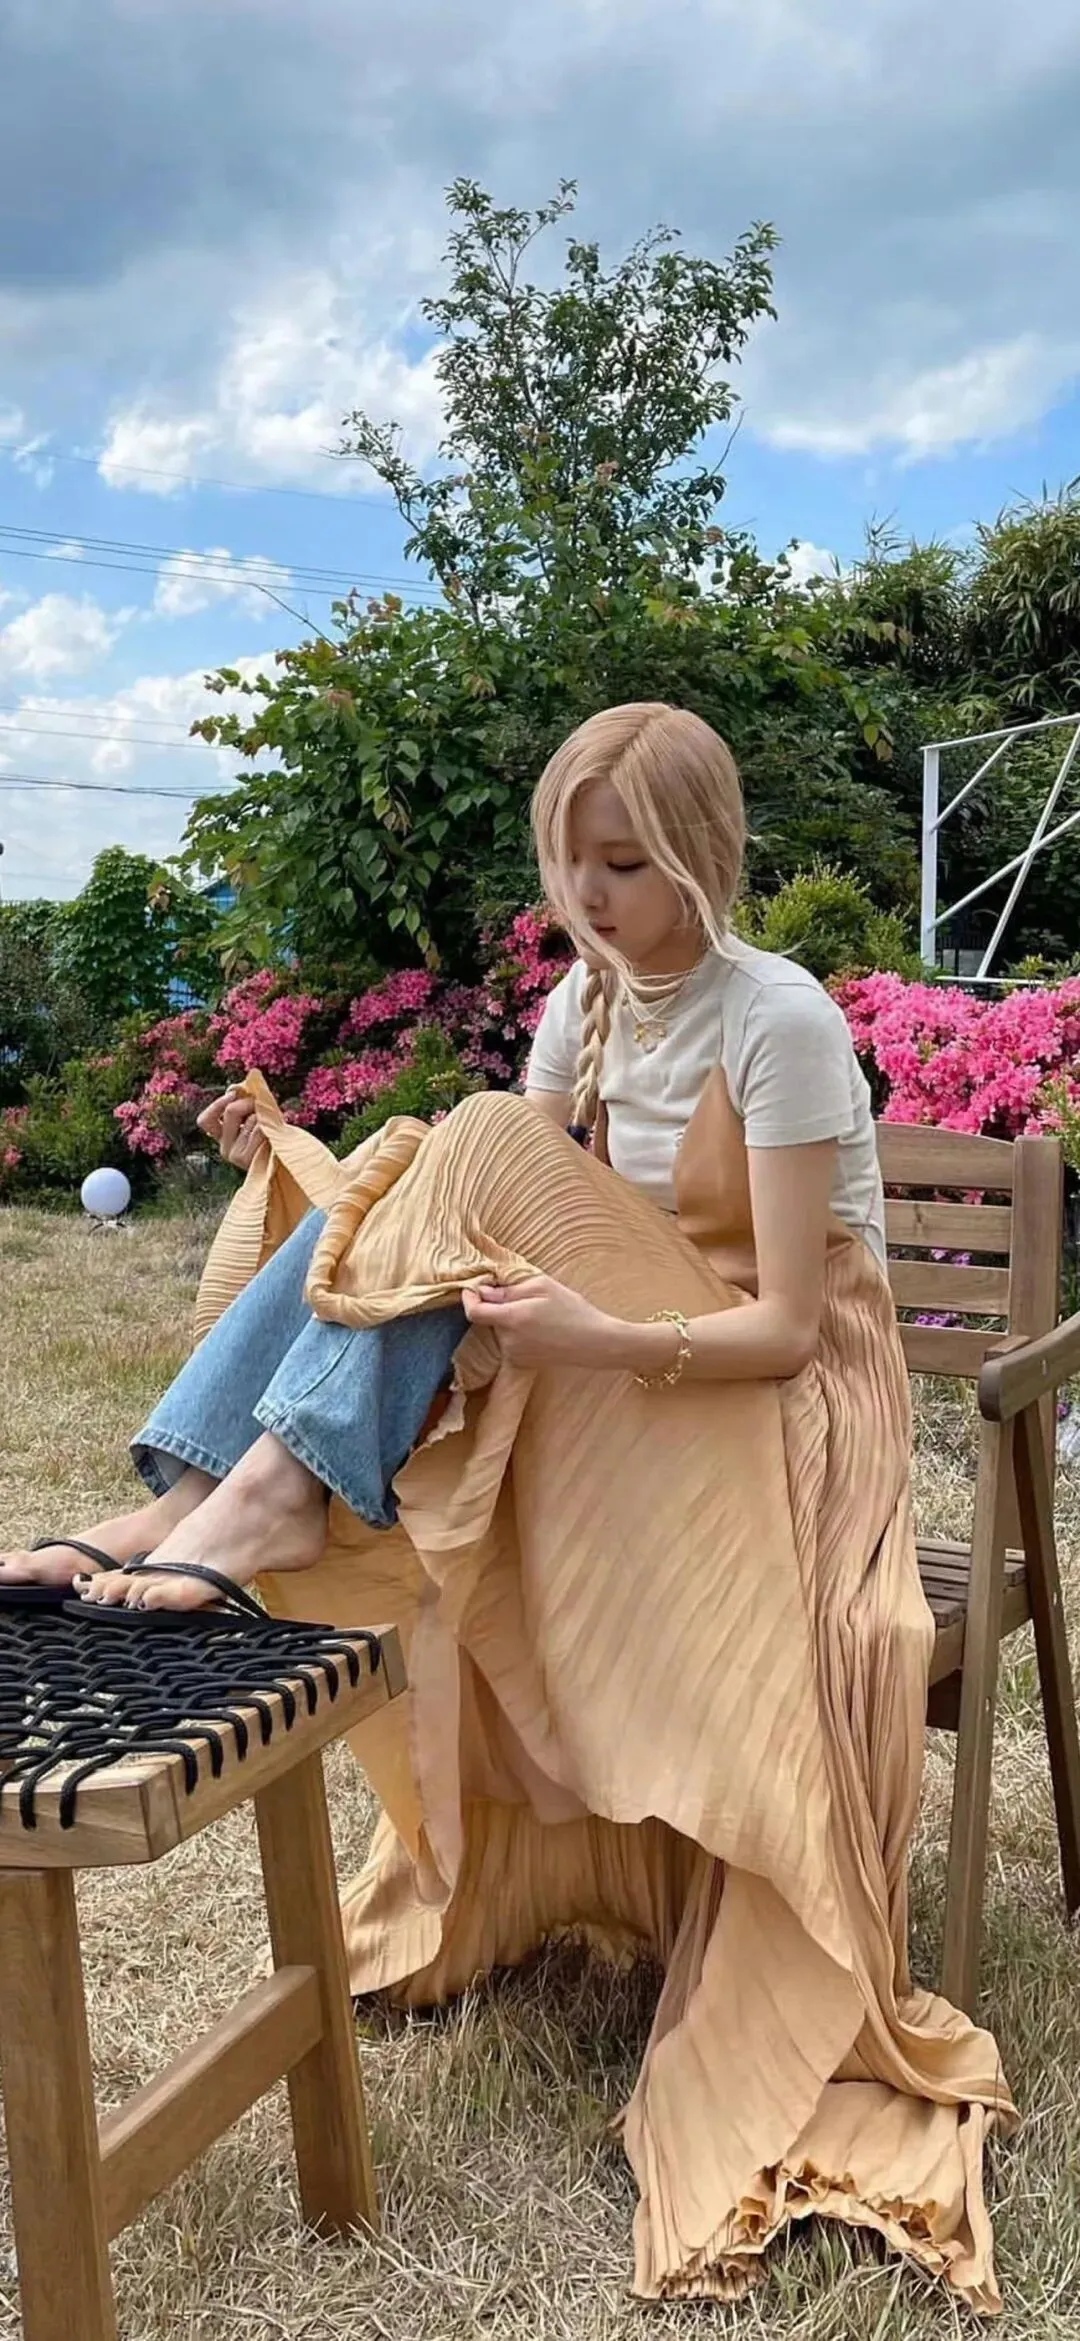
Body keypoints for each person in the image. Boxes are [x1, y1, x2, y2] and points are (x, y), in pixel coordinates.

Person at [0, 704, 1013, 2308]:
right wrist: (305, 1163)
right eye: (570, 863)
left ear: (701, 854)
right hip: (632, 1362)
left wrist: (596, 1336)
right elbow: (445, 1247)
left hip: (777, 1400)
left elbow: (790, 1327)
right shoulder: (583, 1008)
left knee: (454, 1139)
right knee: (412, 1164)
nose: (587, 898)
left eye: (624, 864)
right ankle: (207, 1490)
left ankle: (247, 1497)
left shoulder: (781, 1019)